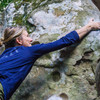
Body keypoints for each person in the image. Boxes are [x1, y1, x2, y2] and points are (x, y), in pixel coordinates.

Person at [0, 19, 100, 100]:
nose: (31, 39)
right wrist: (89, 27)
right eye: (27, 36)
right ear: (19, 40)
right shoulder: (28, 51)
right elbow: (63, 41)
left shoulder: (3, 56)